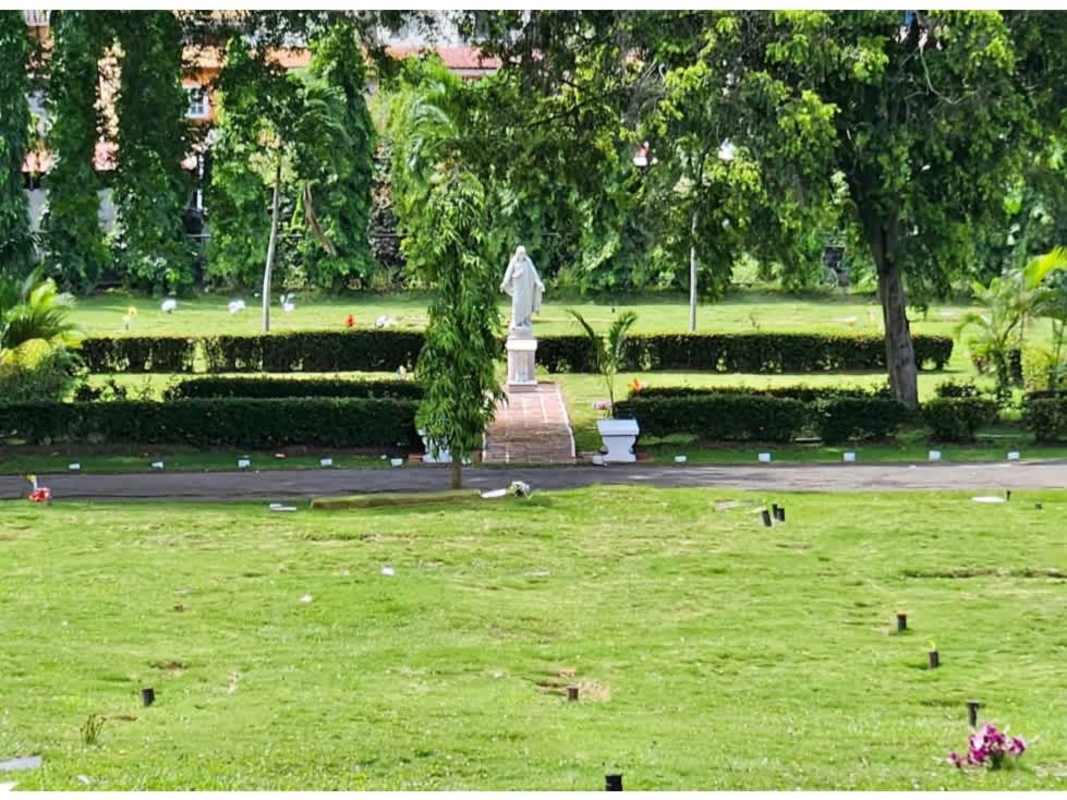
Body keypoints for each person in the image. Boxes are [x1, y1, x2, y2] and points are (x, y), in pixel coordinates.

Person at [499, 245, 544, 332]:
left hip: (526, 288)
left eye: (523, 253)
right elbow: (508, 272)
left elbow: (534, 272)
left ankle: (525, 321)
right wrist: (504, 283)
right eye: (520, 253)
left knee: (526, 305)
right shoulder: (514, 261)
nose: (521, 255)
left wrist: (538, 283)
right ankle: (516, 322)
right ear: (517, 254)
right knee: (517, 304)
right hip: (518, 289)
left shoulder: (528, 262)